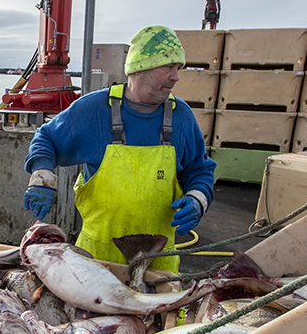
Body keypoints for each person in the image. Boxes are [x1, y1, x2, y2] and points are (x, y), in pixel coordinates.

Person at [23, 25, 216, 273]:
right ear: (141, 67)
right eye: (168, 67)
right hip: (96, 261)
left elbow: (200, 169)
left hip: (159, 265)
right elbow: (46, 138)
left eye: (178, 69)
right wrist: (42, 177)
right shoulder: (95, 109)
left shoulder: (181, 117)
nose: (176, 77)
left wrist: (197, 198)